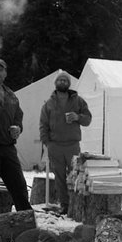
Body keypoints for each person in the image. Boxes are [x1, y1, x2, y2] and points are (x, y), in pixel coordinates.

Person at [0, 58, 32, 237]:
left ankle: (26, 219)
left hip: (8, 148)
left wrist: (18, 128)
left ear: (5, 73)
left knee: (19, 185)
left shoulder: (11, 95)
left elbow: (18, 117)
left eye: (0, 70)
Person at [39, 71, 92, 214]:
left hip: (72, 145)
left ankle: (77, 204)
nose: (62, 82)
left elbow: (88, 119)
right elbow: (43, 125)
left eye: (65, 80)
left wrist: (77, 117)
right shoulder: (48, 104)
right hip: (55, 145)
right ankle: (65, 205)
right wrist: (47, 143)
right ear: (55, 83)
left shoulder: (78, 101)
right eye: (60, 80)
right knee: (60, 177)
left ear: (69, 83)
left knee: (75, 176)